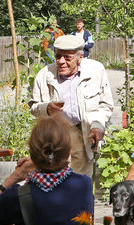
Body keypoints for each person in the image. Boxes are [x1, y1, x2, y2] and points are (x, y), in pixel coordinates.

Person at [29, 34, 114, 177]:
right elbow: (34, 107)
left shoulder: (96, 71)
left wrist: (97, 126)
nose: (61, 61)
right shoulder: (45, 75)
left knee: (80, 183)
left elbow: (105, 105)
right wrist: (46, 109)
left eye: (67, 57)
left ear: (80, 57)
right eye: (58, 56)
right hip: (55, 139)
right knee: (55, 181)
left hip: (83, 134)